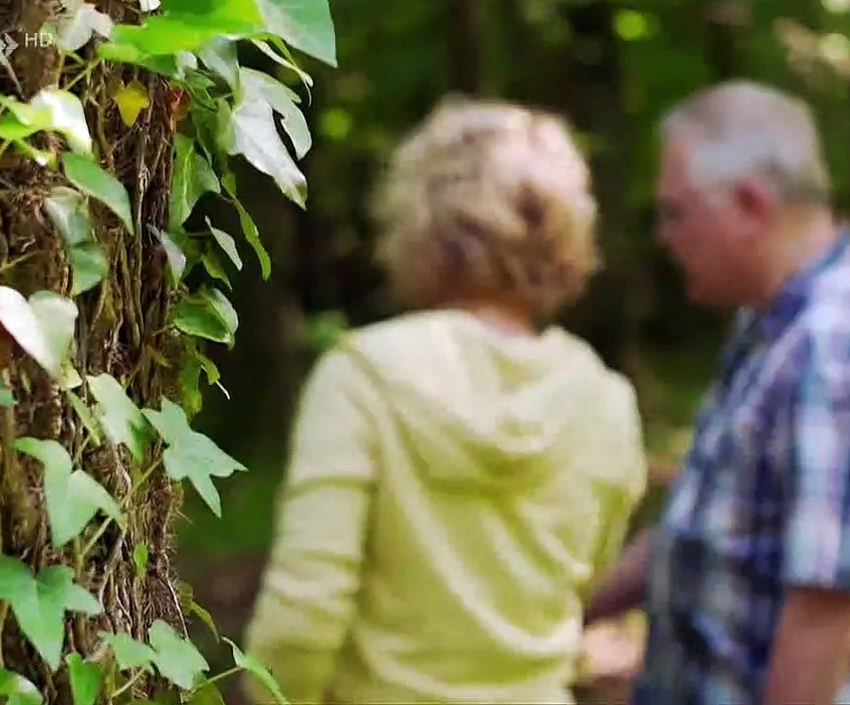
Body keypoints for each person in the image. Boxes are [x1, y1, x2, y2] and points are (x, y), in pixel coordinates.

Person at [244, 96, 648, 704]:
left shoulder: (365, 375)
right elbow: (582, 587)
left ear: (420, 223)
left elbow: (305, 610)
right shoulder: (607, 401)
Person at [586, 80, 850, 705]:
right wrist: (564, 613)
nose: (665, 238)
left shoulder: (836, 352)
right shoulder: (770, 324)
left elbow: (823, 619)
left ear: (750, 206)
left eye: (675, 213)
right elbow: (700, 525)